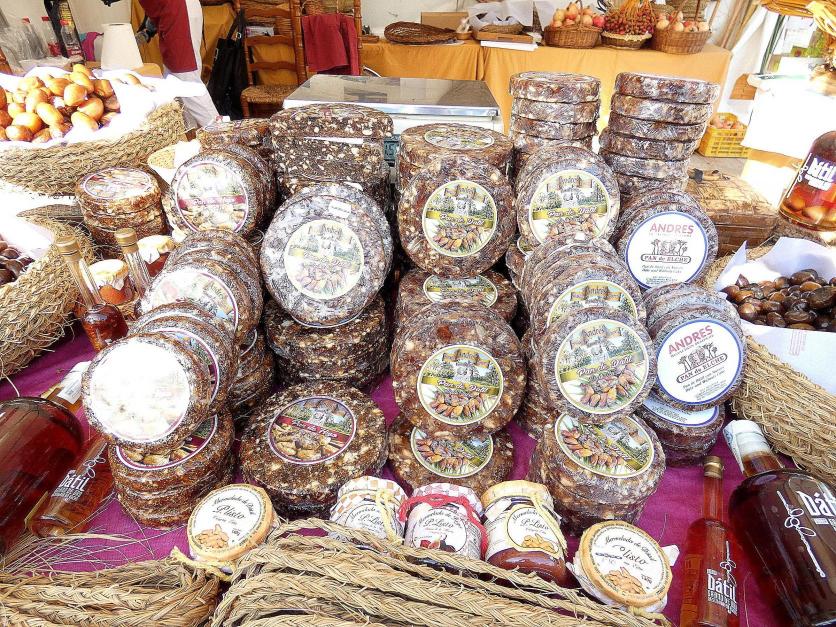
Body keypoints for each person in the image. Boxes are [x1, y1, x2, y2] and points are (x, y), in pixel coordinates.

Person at [133, 0, 219, 127]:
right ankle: (190, 132)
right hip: (173, 12)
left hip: (178, 11)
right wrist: (150, 27)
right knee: (174, 82)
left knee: (185, 81)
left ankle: (223, 133)